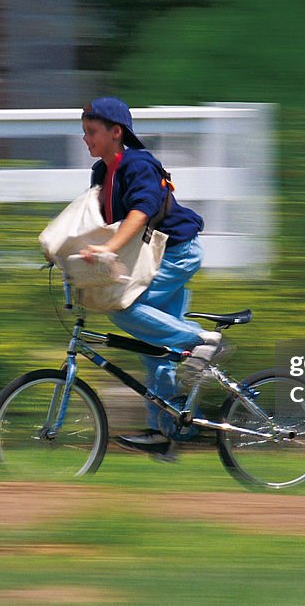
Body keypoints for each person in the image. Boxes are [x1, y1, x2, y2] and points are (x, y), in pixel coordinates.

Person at [78, 97, 222, 460]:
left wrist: (108, 249)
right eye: (84, 132)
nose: (86, 139)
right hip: (151, 257)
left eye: (92, 132)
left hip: (176, 253)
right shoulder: (101, 172)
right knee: (156, 347)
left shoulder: (139, 164)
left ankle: (203, 340)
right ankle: (172, 431)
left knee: (123, 308)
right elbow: (90, 221)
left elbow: (141, 212)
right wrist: (67, 251)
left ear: (116, 132)